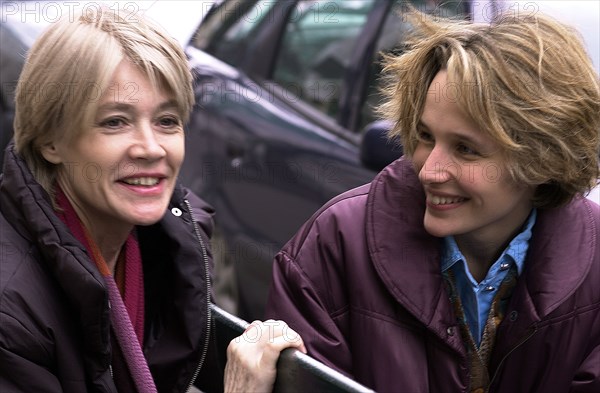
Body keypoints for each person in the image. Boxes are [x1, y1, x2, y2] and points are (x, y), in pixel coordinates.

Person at [265, 10, 600, 393]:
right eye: (425, 136)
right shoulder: (337, 242)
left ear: (543, 160)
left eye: (466, 149)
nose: (429, 171)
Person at [0, 6, 304, 393]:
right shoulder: (11, 312)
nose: (151, 148)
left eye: (166, 121)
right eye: (115, 121)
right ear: (50, 140)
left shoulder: (163, 248)